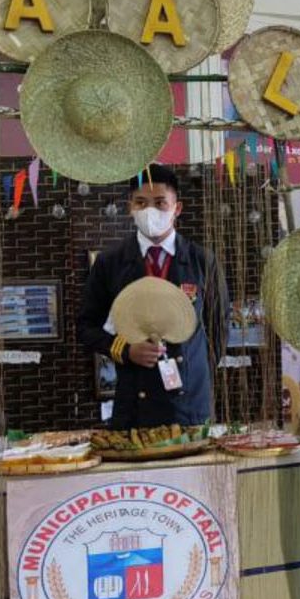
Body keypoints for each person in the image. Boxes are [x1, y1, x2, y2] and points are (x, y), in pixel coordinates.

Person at [77, 164, 229, 429]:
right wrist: (126, 350)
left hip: (190, 404)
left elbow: (219, 326)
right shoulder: (109, 263)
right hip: (135, 402)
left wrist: (192, 367)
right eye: (141, 203)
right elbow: (86, 327)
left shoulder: (202, 261)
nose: (150, 211)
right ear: (130, 208)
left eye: (160, 203)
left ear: (176, 208)